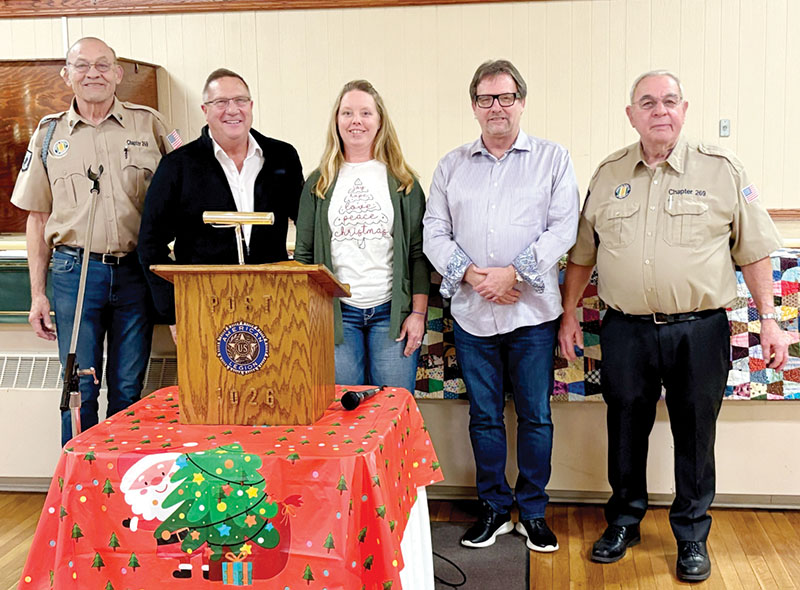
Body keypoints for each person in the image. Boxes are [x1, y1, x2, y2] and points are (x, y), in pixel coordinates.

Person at [558, 70, 789, 582]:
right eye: (647, 102)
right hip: (626, 330)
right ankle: (624, 522)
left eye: (669, 101)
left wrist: (770, 321)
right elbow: (582, 254)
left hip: (700, 330)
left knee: (696, 432)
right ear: (631, 115)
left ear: (684, 110)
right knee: (624, 428)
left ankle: (691, 534)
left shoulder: (722, 169)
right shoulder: (608, 173)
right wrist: (569, 312)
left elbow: (753, 252)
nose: (659, 110)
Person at [423, 60, 579, 552]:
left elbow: (564, 228)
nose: (497, 107)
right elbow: (434, 232)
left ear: (521, 102)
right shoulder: (451, 166)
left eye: (506, 97)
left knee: (535, 416)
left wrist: (513, 274)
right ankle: (492, 508)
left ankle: (532, 512)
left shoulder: (553, 159)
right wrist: (475, 276)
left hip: (531, 316)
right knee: (485, 417)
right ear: (474, 106)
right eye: (486, 99)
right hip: (473, 315)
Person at [10, 37, 179, 446]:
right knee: (78, 389)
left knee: (128, 389)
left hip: (136, 273)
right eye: (82, 65)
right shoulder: (49, 134)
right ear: (66, 75)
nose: (93, 74)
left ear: (118, 74)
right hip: (75, 274)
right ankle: (79, 479)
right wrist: (37, 295)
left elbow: (186, 191)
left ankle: (119, 478)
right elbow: (37, 217)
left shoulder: (150, 124)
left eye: (103, 65)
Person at [138, 68, 304, 338]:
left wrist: (301, 290)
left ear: (251, 106)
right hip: (203, 304)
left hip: (273, 301)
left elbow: (306, 225)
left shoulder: (282, 156)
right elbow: (150, 243)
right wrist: (173, 310)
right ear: (205, 110)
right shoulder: (178, 166)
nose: (232, 110)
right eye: (221, 102)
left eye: (240, 100)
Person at [294, 80, 428, 394]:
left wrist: (418, 315)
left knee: (392, 408)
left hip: (391, 316)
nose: (356, 121)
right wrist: (308, 317)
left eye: (366, 113)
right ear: (336, 121)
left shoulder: (404, 182)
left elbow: (418, 255)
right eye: (347, 113)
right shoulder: (318, 183)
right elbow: (303, 255)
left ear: (380, 121)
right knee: (342, 411)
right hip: (336, 317)